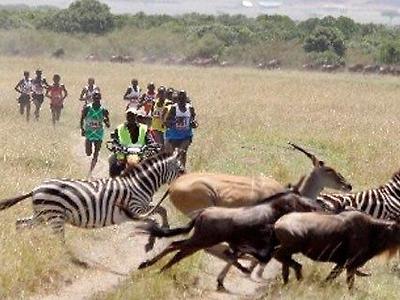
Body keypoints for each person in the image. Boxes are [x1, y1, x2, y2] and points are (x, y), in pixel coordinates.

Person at [108, 107, 151, 177]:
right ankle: (113, 181)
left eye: (132, 116)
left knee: (151, 166)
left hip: (140, 154)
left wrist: (150, 145)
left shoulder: (144, 128)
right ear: (126, 117)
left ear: (136, 117)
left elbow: (149, 139)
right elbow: (115, 140)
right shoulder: (119, 128)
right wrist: (116, 146)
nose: (130, 118)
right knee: (111, 159)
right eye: (129, 116)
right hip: (123, 154)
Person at [165, 90, 198, 167]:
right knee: (175, 155)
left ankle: (183, 170)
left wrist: (194, 124)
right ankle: (176, 170)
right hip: (174, 136)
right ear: (177, 99)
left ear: (186, 99)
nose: (181, 100)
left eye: (183, 98)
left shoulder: (190, 108)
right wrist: (175, 121)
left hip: (186, 135)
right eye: (179, 98)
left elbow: (194, 121)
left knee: (182, 151)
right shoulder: (174, 108)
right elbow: (167, 122)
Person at [80, 92, 110, 175]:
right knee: (88, 153)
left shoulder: (104, 110)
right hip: (89, 133)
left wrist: (105, 121)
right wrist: (82, 129)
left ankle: (91, 171)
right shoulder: (87, 108)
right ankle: (91, 165)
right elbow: (82, 119)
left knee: (96, 153)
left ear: (100, 99)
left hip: (99, 134)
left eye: (98, 98)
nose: (96, 100)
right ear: (92, 99)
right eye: (95, 98)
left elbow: (108, 124)